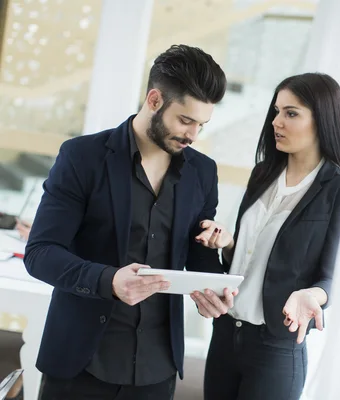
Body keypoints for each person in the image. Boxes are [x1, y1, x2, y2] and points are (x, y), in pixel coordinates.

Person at [24, 44, 237, 400]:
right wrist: (109, 280)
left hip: (158, 368)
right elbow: (41, 253)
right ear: (154, 100)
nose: (193, 135)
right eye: (185, 120)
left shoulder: (203, 172)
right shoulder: (82, 157)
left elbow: (197, 254)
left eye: (202, 124)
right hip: (81, 361)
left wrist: (211, 291)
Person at [196, 72, 340, 400]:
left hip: (276, 349)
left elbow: (333, 277)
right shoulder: (263, 173)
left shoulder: (339, 189)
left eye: (291, 113)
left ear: (322, 120)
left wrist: (312, 296)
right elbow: (251, 255)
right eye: (277, 111)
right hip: (226, 334)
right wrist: (228, 245)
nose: (276, 122)